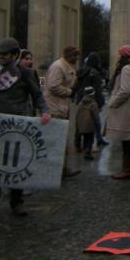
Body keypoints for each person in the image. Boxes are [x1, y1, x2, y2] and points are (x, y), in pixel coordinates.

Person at [0, 37, 50, 219]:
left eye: (5, 54)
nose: (1, 57)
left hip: (18, 123)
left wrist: (45, 111)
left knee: (16, 163)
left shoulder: (25, 73)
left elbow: (37, 94)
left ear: (15, 55)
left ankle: (17, 202)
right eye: (0, 54)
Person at [43, 46, 80, 178]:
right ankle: (56, 169)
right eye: (75, 55)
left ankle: (61, 168)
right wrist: (70, 91)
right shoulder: (58, 67)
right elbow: (53, 86)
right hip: (55, 107)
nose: (77, 58)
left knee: (61, 138)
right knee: (57, 138)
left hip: (60, 106)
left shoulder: (65, 66)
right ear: (68, 55)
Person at [107, 46, 130, 180]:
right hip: (129, 108)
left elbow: (125, 91)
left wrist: (112, 102)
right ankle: (128, 168)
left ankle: (127, 169)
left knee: (126, 141)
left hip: (124, 109)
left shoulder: (126, 69)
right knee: (127, 141)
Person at [74, 52, 107, 151]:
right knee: (93, 122)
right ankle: (89, 146)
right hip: (92, 101)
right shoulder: (95, 73)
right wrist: (101, 103)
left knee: (79, 122)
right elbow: (97, 90)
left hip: (81, 99)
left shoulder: (80, 71)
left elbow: (76, 85)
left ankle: (78, 144)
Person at [76, 86, 98, 160]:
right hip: (90, 125)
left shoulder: (80, 103)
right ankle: (88, 153)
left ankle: (83, 148)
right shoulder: (93, 104)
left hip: (81, 125)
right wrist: (97, 124)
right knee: (90, 139)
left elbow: (77, 114)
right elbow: (96, 116)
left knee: (85, 138)